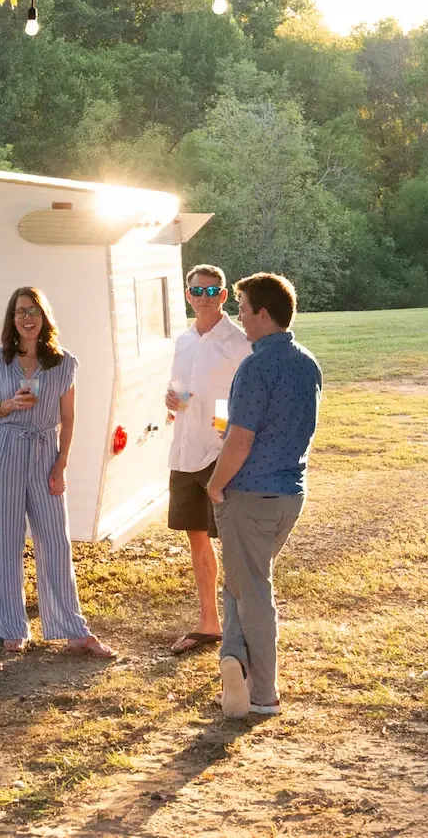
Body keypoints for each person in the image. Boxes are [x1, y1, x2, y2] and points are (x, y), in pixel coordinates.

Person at [0, 288, 114, 657]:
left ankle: (73, 628)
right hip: (4, 450)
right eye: (20, 311)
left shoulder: (63, 362)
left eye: (33, 310)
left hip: (44, 450)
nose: (27, 317)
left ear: (44, 316)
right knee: (4, 542)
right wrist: (7, 405)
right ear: (12, 318)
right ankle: (13, 627)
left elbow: (68, 418)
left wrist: (61, 462)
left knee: (55, 541)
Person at [206, 273, 321, 719]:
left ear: (264, 315)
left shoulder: (255, 367)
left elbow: (240, 440)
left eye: (244, 308)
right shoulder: (307, 362)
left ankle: (263, 694)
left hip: (250, 496)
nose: (240, 316)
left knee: (250, 589)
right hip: (290, 493)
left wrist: (215, 484)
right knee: (243, 580)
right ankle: (235, 663)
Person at [164, 266, 250, 655]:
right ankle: (208, 622)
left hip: (219, 453)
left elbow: (242, 398)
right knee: (196, 537)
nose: (203, 296)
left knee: (232, 542)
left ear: (224, 295)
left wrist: (224, 427)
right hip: (184, 450)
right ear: (187, 295)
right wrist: (171, 400)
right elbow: (179, 392)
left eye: (211, 289)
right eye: (196, 290)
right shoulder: (183, 341)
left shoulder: (237, 341)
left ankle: (242, 626)